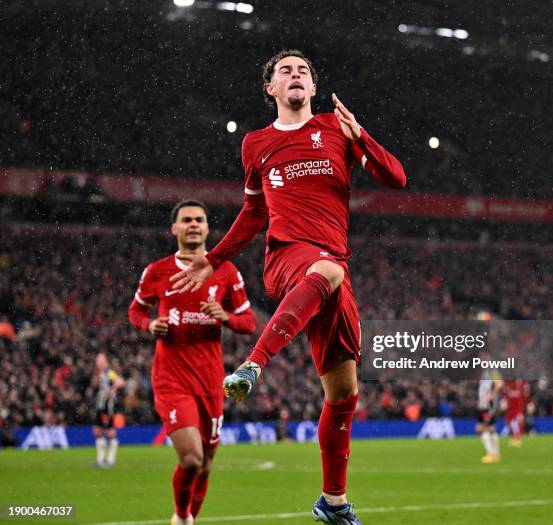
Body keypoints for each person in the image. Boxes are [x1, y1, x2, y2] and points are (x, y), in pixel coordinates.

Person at [170, 50, 406, 525]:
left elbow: (396, 178)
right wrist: (213, 260)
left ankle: (333, 503)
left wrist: (361, 135)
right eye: (285, 71)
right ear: (271, 89)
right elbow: (255, 213)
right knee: (328, 271)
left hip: (331, 268)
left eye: (303, 71)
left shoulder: (335, 130)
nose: (295, 76)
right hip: (287, 259)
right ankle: (254, 366)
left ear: (313, 88)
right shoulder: (256, 144)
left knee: (344, 394)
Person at [128, 199, 256, 525]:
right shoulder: (157, 272)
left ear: (208, 228)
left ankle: (189, 518)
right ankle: (182, 518)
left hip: (211, 381)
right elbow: (136, 311)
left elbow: (249, 323)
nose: (194, 225)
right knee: (191, 460)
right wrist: (148, 325)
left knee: (207, 464)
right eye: (186, 220)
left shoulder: (226, 271)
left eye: (199, 219)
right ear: (174, 229)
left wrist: (225, 316)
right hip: (171, 379)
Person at [92, 352, 125, 467]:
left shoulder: (108, 372)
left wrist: (113, 389)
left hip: (107, 406)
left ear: (105, 361)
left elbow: (120, 381)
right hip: (100, 405)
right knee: (97, 430)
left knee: (110, 431)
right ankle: (101, 459)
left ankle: (110, 460)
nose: (97, 361)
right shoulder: (100, 372)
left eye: (99, 359)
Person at [476, 367, 503, 463]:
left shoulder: (492, 371)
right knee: (485, 428)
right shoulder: (485, 372)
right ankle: (495, 454)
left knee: (486, 428)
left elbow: (499, 384)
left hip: (488, 405)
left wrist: (491, 396)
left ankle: (492, 454)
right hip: (483, 405)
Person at [502, 379, 530, 447]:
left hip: (519, 408)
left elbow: (526, 396)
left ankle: (518, 439)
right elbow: (505, 394)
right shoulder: (508, 384)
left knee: (517, 422)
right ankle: (516, 438)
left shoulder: (523, 384)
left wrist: (528, 403)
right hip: (510, 407)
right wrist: (504, 400)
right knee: (511, 422)